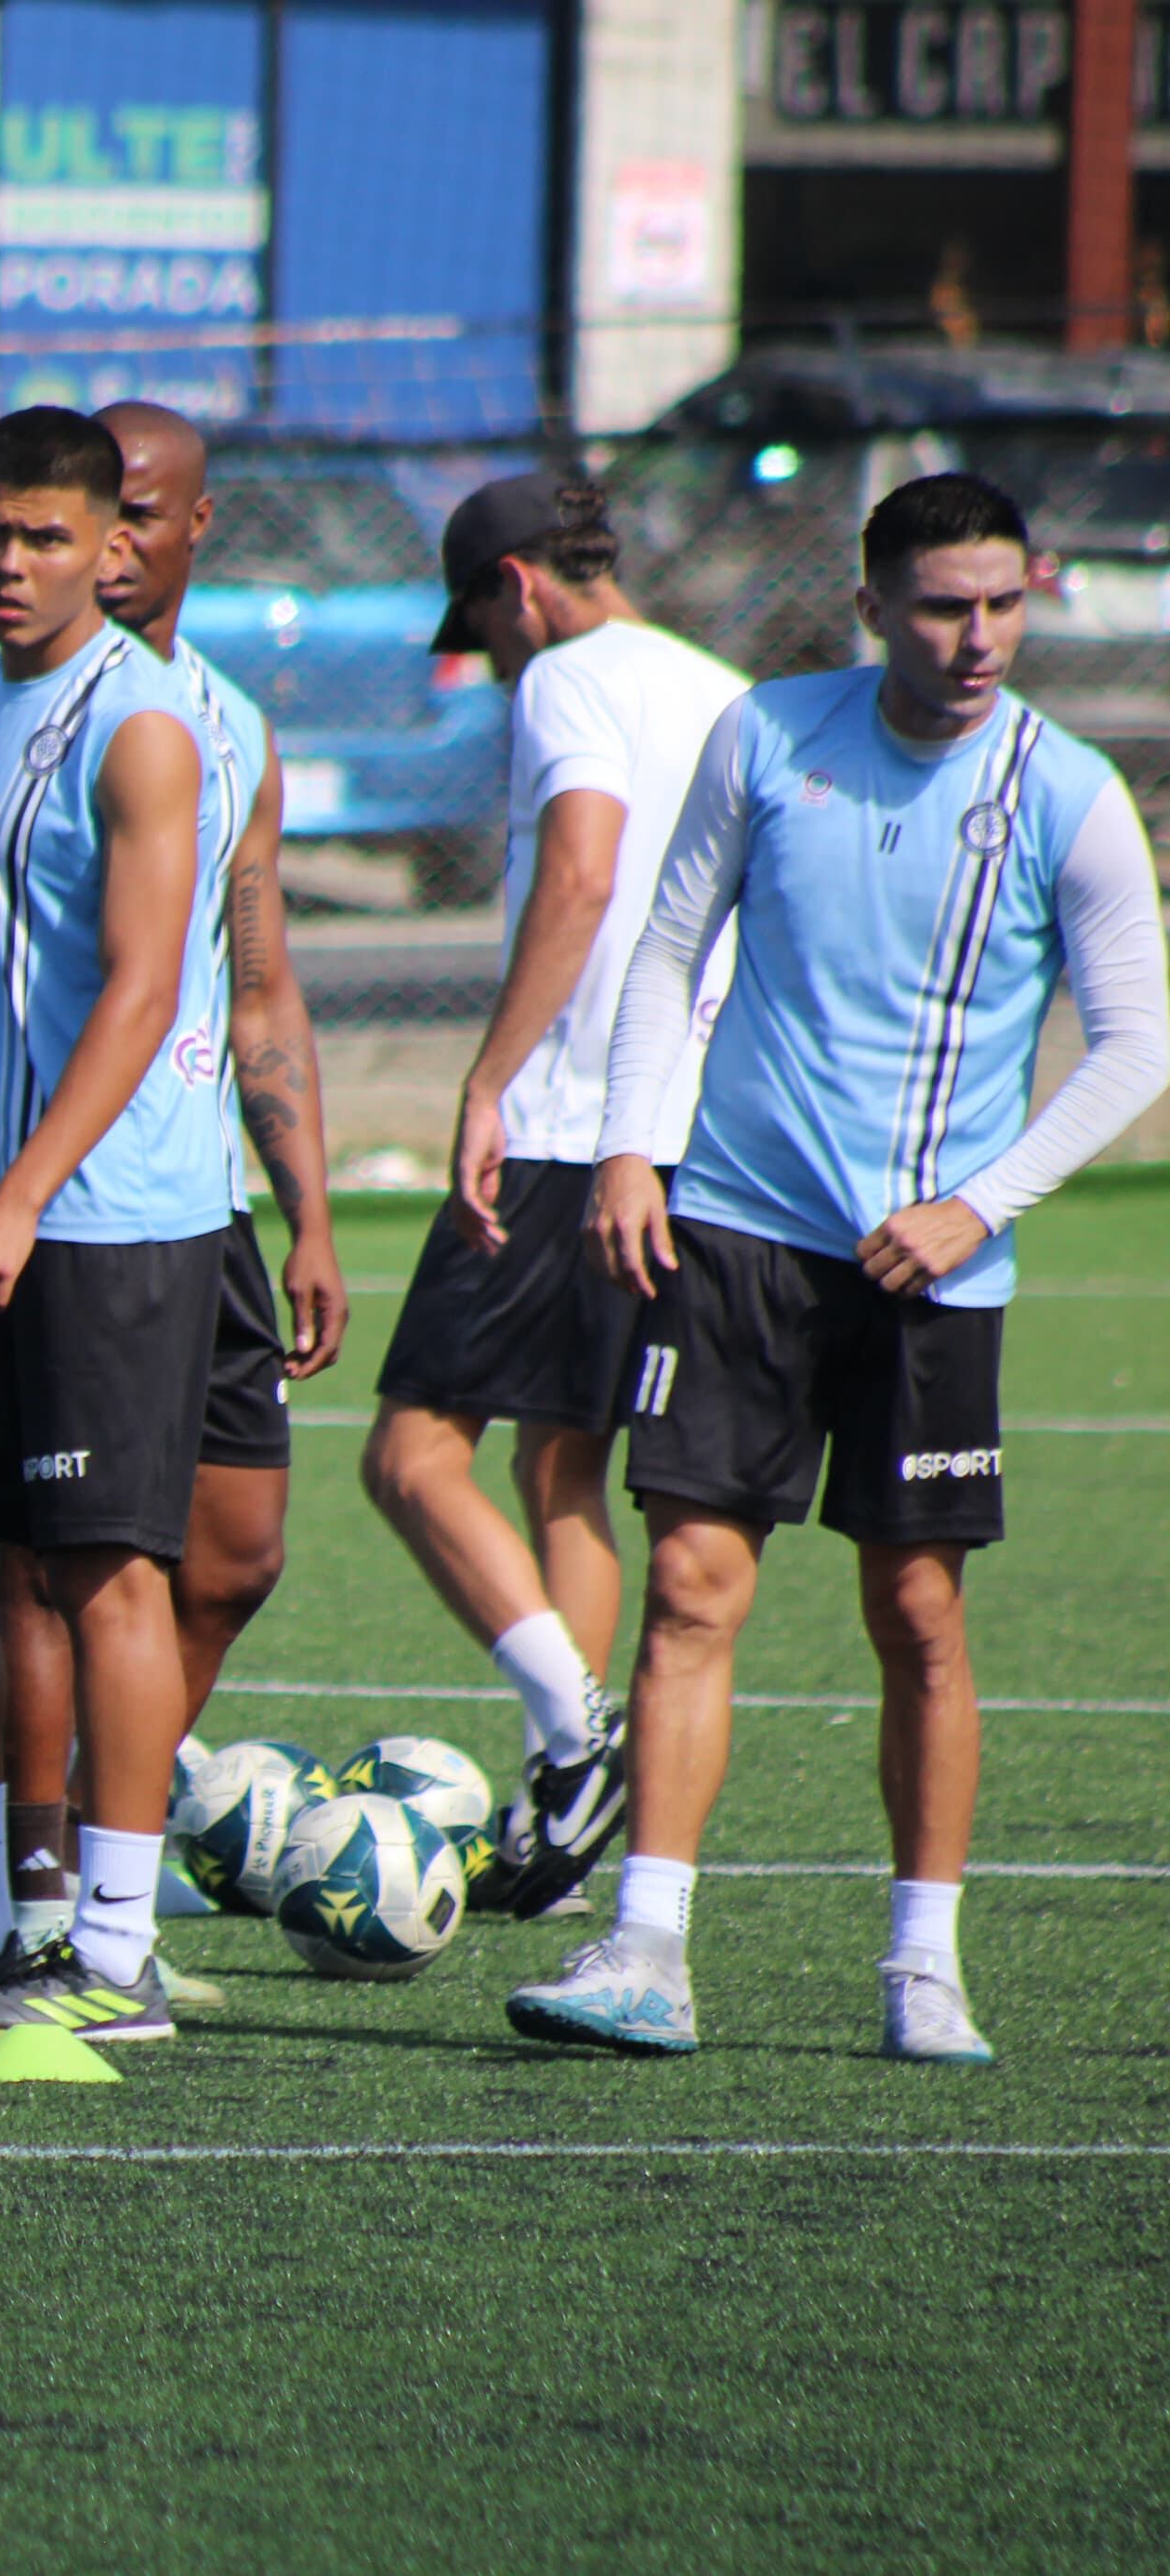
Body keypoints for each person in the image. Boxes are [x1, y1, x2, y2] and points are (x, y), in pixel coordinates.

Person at [511, 472, 1167, 2063]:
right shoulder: (768, 735)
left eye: (1005, 603)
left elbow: (1138, 1041)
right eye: (944, 605)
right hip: (735, 1226)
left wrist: (978, 1202)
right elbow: (670, 947)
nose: (979, 638)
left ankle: (921, 1961)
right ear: (871, 606)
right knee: (687, 1586)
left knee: (919, 1610)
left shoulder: (1067, 792)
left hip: (929, 1270)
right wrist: (626, 1145)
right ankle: (647, 1949)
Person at [0, 402, 345, 2020]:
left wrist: (21, 1194)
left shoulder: (151, 729)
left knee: (107, 1577)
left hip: (113, 1224)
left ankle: (109, 1955)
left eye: (42, 538)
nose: (8, 565)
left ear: (115, 549)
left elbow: (143, 991)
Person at [359, 477, 746, 1917]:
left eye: (481, 623)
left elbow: (578, 874)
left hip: (570, 1124)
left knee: (409, 1457)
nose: (490, 654)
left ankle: (582, 1739)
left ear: (519, 586)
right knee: (561, 1468)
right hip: (683, 1137)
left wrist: (488, 1079)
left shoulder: (568, 679)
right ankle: (566, 1820)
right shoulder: (726, 688)